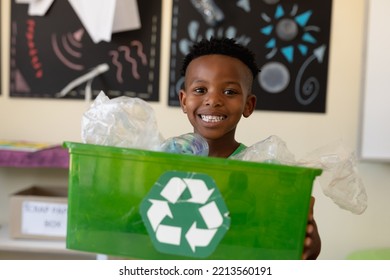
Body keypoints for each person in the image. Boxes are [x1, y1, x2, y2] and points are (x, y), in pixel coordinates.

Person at [178, 36, 321, 259]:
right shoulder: (165, 161)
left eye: (229, 92)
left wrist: (309, 243)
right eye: (200, 90)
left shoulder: (262, 170)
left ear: (248, 105)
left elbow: (295, 245)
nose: (213, 100)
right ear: (183, 101)